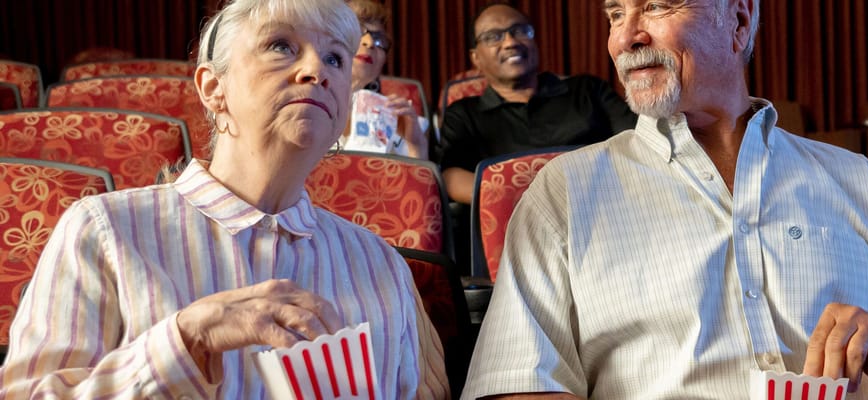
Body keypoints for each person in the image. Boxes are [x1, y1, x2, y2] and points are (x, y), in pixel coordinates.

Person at [0, 0, 449, 398]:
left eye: (335, 57)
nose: (318, 70)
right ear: (213, 88)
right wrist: (188, 339)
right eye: (281, 46)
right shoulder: (103, 230)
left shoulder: (380, 263)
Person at [461, 0, 868, 398]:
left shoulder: (859, 182)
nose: (626, 37)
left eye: (656, 7)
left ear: (738, 19)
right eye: (616, 14)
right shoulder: (562, 193)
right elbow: (514, 384)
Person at [434, 2, 637, 205]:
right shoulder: (464, 113)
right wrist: (519, 202)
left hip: (604, 205)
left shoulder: (588, 90)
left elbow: (635, 142)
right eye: (493, 37)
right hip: (512, 223)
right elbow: (451, 175)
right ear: (476, 57)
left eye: (520, 31)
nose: (510, 42)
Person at [342, 0, 429, 159]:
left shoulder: (394, 118)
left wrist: (415, 144)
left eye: (379, 39)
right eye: (358, 31)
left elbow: (417, 180)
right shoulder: (303, 101)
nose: (369, 43)